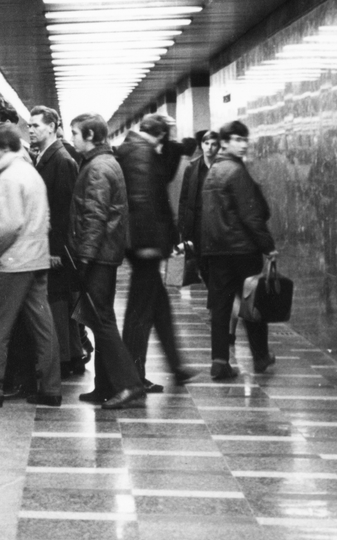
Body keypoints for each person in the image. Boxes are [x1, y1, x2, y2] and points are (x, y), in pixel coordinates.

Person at [0, 123, 61, 408]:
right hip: (36, 259)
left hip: (13, 263)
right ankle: (51, 389)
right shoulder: (31, 172)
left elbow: (5, 227)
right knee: (43, 325)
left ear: (4, 147)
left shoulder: (6, 177)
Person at [66, 113, 146, 409]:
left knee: (102, 320)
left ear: (89, 135)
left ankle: (129, 384)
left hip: (98, 256)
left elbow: (95, 216)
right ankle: (105, 385)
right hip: (104, 253)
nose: (71, 137)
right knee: (98, 317)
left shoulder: (98, 168)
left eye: (74, 132)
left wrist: (84, 258)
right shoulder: (103, 162)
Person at [115, 113, 193, 391]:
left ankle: (176, 366)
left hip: (143, 242)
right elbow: (143, 199)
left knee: (159, 307)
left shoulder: (138, 149)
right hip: (144, 245)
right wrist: (148, 244)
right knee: (139, 314)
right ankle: (132, 377)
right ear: (160, 136)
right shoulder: (142, 153)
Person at [200, 120, 278, 380]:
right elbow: (251, 215)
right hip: (242, 250)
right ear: (224, 142)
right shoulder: (236, 171)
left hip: (217, 251)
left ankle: (219, 361)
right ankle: (260, 357)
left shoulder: (214, 171)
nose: (243, 144)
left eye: (245, 139)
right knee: (253, 304)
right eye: (237, 139)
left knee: (221, 308)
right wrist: (268, 246)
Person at [28, 105, 85, 378]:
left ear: (51, 127)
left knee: (57, 301)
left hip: (56, 247)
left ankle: (63, 359)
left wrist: (54, 250)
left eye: (36, 125)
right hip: (53, 244)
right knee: (60, 300)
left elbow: (64, 210)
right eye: (29, 125)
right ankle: (73, 354)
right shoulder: (47, 157)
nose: (30, 130)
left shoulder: (60, 160)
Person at [176, 130, 221, 289]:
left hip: (217, 225)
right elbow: (184, 198)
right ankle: (214, 299)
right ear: (201, 145)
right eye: (206, 143)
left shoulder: (222, 167)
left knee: (216, 266)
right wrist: (182, 227)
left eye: (214, 144)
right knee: (202, 265)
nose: (210, 148)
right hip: (197, 226)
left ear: (218, 147)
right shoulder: (193, 167)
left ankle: (215, 304)